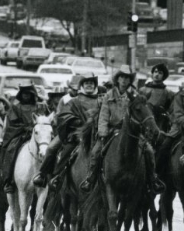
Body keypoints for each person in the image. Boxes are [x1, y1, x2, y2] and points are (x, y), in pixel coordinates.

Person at [81, 66, 165, 194]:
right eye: (122, 77)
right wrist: (102, 132)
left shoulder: (136, 95)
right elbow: (103, 115)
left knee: (148, 150)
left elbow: (143, 112)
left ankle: (152, 179)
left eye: (127, 77)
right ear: (118, 79)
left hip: (132, 130)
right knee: (96, 151)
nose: (124, 80)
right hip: (111, 129)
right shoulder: (109, 95)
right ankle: (91, 178)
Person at [32, 74, 101, 189]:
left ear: (95, 86)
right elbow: (64, 116)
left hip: (96, 134)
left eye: (92, 83)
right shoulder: (73, 101)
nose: (89, 85)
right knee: (51, 148)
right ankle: (47, 175)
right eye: (87, 83)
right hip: (74, 133)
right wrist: (77, 122)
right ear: (82, 86)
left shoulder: (101, 101)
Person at [0, 83, 43, 193]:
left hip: (40, 135)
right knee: (11, 150)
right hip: (21, 135)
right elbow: (13, 124)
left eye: (28, 93)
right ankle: (9, 180)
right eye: (24, 93)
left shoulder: (40, 106)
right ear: (21, 94)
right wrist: (26, 129)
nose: (26, 96)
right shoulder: (15, 108)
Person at [140, 63, 174, 134]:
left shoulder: (168, 93)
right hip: (143, 121)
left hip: (160, 123)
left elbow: (171, 110)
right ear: (152, 74)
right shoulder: (142, 90)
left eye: (160, 73)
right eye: (155, 72)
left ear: (163, 76)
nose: (157, 74)